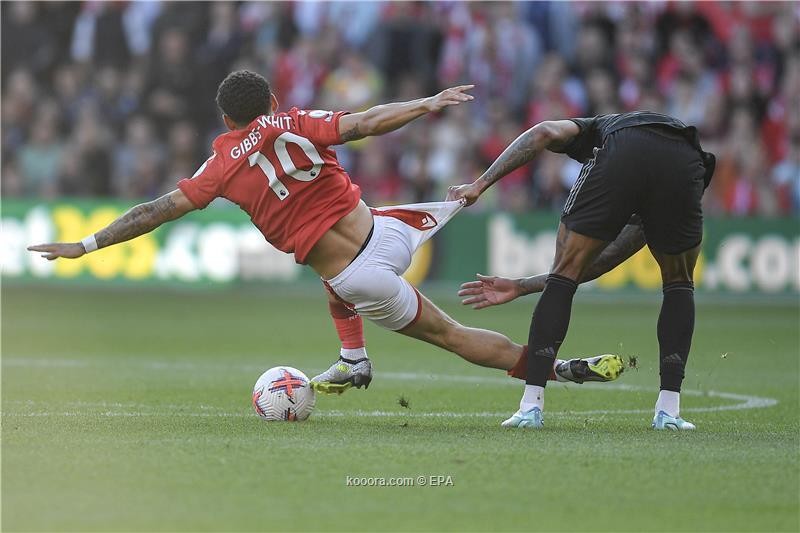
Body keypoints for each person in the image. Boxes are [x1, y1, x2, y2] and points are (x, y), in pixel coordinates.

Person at [28, 70, 623, 398]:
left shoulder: (219, 167)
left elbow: (154, 211)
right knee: (344, 254)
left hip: (362, 276)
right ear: (272, 102)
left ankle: (559, 369)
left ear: (227, 121)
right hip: (387, 228)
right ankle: (353, 360)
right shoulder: (297, 121)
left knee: (444, 332)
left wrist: (85, 245)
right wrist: (427, 103)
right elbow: (364, 122)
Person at [448, 111, 715, 430]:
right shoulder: (664, 147)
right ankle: (668, 412)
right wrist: (522, 286)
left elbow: (543, 131)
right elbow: (610, 257)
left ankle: (530, 407)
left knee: (564, 274)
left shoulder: (598, 127)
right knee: (679, 284)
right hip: (686, 159)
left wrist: (480, 185)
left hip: (626, 147)